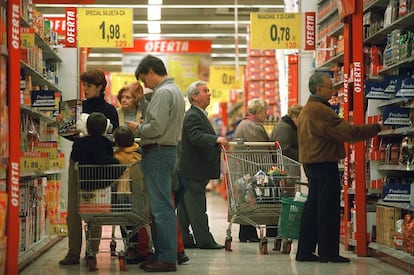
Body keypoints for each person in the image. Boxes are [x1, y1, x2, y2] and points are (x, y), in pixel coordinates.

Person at [295, 72, 382, 263]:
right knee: (327, 210)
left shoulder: (308, 109)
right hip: (324, 164)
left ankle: (305, 251)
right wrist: (377, 127)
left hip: (312, 164)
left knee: (313, 209)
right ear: (319, 89)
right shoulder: (321, 111)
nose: (333, 89)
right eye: (329, 86)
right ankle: (328, 253)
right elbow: (348, 133)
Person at [59, 69, 119, 265]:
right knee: (74, 206)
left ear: (100, 87)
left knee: (96, 206)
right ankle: (73, 251)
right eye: (83, 85)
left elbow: (115, 137)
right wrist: (73, 132)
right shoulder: (78, 107)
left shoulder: (110, 110)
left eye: (89, 86)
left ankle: (92, 249)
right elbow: (65, 132)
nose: (85, 89)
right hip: (78, 159)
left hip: (99, 162)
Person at [133, 54, 185, 272]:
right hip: (168, 151)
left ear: (152, 72)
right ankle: (166, 254)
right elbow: (159, 117)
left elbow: (155, 127)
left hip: (158, 152)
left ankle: (166, 258)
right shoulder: (173, 91)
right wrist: (142, 101)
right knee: (163, 205)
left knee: (161, 208)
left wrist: (137, 128)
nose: (145, 84)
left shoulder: (163, 93)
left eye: (145, 79)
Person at [177, 80, 228, 250]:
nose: (209, 93)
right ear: (194, 96)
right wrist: (215, 139)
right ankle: (205, 240)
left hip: (192, 170)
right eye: (205, 91)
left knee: (185, 207)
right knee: (198, 207)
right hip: (194, 170)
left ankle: (183, 237)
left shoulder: (198, 114)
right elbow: (195, 136)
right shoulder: (193, 115)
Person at [233, 98, 276, 242]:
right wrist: (269, 170)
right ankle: (249, 234)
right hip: (250, 169)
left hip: (244, 168)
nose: (266, 115)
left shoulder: (244, 124)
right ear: (257, 112)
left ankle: (246, 233)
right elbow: (260, 151)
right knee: (251, 200)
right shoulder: (252, 126)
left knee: (247, 200)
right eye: (264, 112)